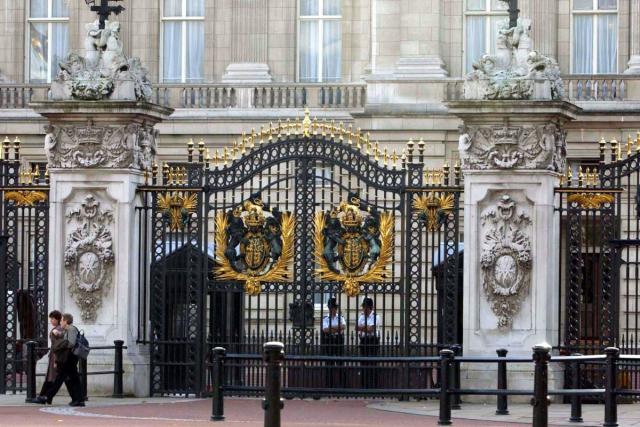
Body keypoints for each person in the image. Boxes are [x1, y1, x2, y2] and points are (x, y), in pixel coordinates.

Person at [35, 313, 84, 406]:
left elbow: (71, 343)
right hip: (69, 357)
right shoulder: (67, 329)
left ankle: (47, 397)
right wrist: (59, 334)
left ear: (66, 321)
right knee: (72, 378)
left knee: (60, 378)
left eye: (62, 320)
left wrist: (60, 344)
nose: (60, 322)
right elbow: (66, 338)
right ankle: (78, 399)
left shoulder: (71, 329)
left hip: (69, 357)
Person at [31, 311, 68, 404]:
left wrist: (55, 359)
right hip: (54, 355)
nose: (51, 320)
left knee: (52, 377)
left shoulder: (57, 330)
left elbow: (57, 346)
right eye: (51, 319)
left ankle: (44, 397)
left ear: (58, 319)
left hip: (56, 356)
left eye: (53, 319)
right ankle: (45, 397)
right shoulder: (59, 329)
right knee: (51, 377)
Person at [357, 297, 382, 388]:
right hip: (363, 341)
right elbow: (357, 328)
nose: (364, 309)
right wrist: (366, 328)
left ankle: (373, 386)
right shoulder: (361, 316)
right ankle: (364, 385)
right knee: (363, 363)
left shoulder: (376, 316)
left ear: (371, 307)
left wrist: (363, 327)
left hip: (373, 341)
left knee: (372, 363)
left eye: (366, 307)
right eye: (363, 307)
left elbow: (371, 329)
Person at [321, 298, 346, 388]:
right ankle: (329, 385)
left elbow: (343, 326)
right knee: (329, 363)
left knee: (340, 362)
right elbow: (325, 329)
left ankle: (342, 385)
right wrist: (337, 328)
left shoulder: (340, 317)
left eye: (334, 308)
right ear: (328, 308)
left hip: (338, 340)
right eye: (331, 307)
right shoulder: (325, 318)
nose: (333, 309)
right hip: (329, 340)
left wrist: (331, 328)